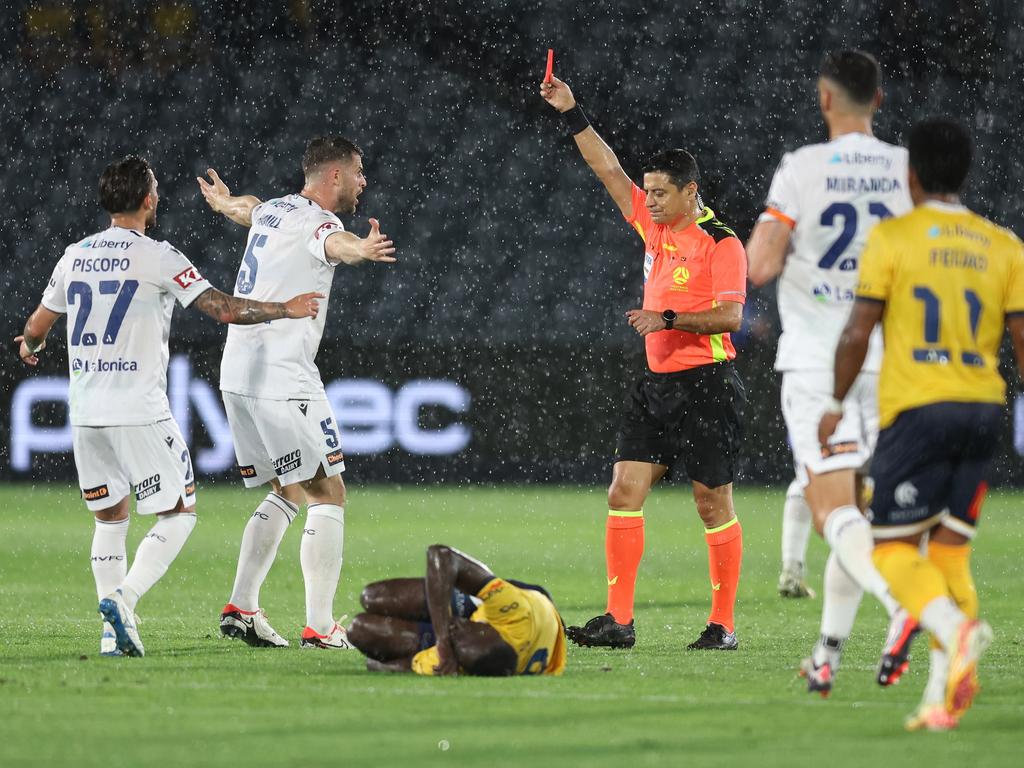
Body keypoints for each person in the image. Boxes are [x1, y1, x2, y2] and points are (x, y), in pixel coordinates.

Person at [15, 155, 322, 657]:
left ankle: (114, 634)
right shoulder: (159, 256)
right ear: (147, 200)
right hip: (139, 408)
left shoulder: (75, 255)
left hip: (86, 413)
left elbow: (35, 328)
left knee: (110, 521)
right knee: (180, 513)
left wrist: (32, 347)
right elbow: (223, 308)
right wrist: (283, 308)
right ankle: (125, 598)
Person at [819, 118, 1021, 730]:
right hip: (985, 409)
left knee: (892, 552)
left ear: (911, 176)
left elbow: (859, 330)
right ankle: (940, 698)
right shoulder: (1003, 244)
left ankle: (958, 632)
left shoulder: (894, 238)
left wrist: (833, 402)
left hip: (918, 413)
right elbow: (1023, 334)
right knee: (951, 551)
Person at [540, 74, 747, 651]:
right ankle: (619, 621)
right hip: (656, 386)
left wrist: (671, 320)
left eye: (659, 192)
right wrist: (573, 112)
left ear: (690, 192)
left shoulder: (722, 243)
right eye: (648, 192)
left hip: (708, 385)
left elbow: (732, 319)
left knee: (712, 504)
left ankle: (723, 625)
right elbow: (607, 168)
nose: (648, 200)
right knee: (623, 492)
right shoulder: (653, 228)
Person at [746, 50, 914, 694]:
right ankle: (828, 654)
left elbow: (760, 264)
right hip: (891, 362)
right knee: (860, 516)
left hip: (821, 362)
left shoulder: (803, 168)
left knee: (831, 511)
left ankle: (904, 607)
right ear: (880, 99)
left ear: (824, 98)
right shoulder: (906, 169)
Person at [196, 135, 396, 650]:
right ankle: (321, 625)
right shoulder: (322, 223)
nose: (363, 181)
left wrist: (224, 202)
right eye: (358, 172)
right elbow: (336, 244)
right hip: (284, 378)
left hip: (237, 372)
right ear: (334, 177)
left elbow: (249, 209)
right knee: (328, 492)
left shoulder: (276, 211)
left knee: (284, 490)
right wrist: (362, 249)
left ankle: (242, 606)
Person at [348, 545, 566, 676]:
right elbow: (441, 553)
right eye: (462, 633)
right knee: (373, 596)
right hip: (524, 608)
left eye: (456, 642)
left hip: (506, 631)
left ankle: (431, 626)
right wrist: (443, 639)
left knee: (360, 630)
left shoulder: (468, 658)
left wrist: (381, 665)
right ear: (488, 631)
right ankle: (477, 591)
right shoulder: (515, 613)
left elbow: (390, 666)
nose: (455, 630)